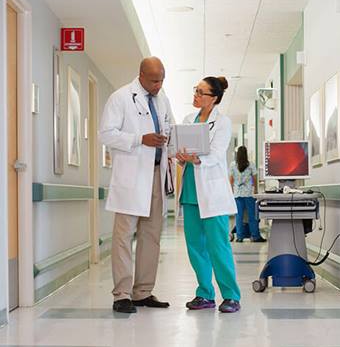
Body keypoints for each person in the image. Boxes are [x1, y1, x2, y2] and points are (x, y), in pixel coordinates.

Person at [99, 57, 174, 314]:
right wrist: (139, 139)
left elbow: (170, 129)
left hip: (156, 173)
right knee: (124, 236)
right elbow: (105, 133)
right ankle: (121, 293)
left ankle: (142, 292)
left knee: (151, 236)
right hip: (131, 176)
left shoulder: (162, 99)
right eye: (154, 80)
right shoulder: (120, 97)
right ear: (140, 75)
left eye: (162, 79)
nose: (158, 85)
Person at [176, 77, 241, 313]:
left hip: (213, 192)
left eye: (201, 92)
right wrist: (181, 156)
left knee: (218, 246)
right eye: (195, 90)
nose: (195, 95)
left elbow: (216, 154)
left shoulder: (222, 122)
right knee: (195, 246)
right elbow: (180, 150)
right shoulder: (186, 120)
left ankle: (231, 296)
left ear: (213, 98)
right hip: (191, 190)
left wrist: (197, 158)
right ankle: (205, 294)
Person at [229, 146, 265, 243]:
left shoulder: (233, 165)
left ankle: (239, 237)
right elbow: (254, 178)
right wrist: (256, 190)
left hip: (237, 194)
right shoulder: (251, 165)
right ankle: (255, 236)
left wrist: (231, 191)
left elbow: (231, 180)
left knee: (239, 216)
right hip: (249, 194)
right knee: (252, 216)